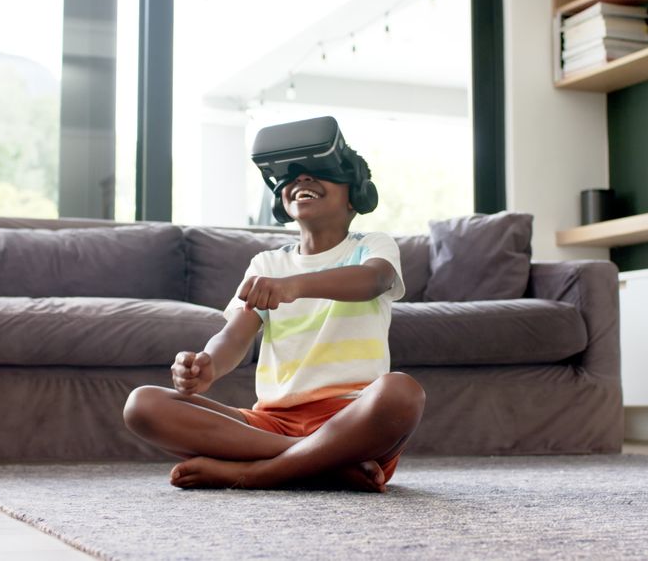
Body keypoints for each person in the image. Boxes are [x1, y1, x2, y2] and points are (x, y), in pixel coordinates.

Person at [123, 125, 425, 493]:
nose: (302, 179)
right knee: (142, 405)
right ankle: (321, 462)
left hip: (352, 420)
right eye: (292, 176)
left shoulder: (372, 246)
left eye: (319, 172)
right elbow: (235, 335)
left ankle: (255, 474)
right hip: (272, 425)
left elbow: (373, 280)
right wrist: (208, 364)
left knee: (401, 392)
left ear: (355, 195)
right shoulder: (266, 264)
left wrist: (294, 286)